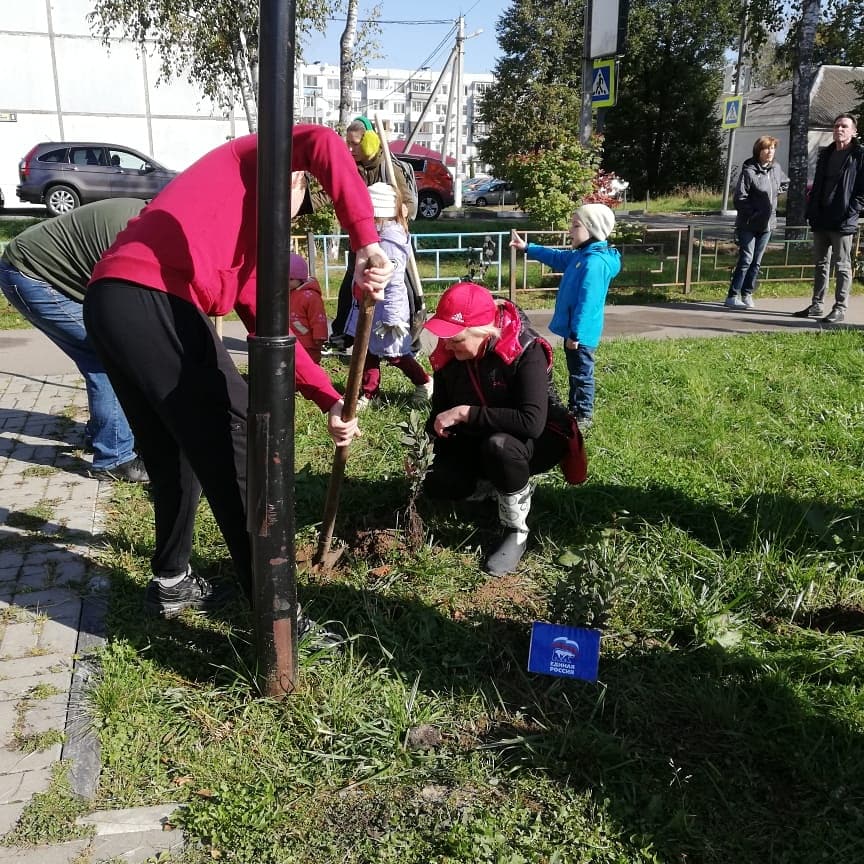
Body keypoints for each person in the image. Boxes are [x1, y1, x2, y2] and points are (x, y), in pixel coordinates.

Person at [82, 125, 392, 618]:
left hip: (109, 302)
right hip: (150, 291)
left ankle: (171, 582)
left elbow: (277, 342)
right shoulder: (250, 157)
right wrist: (365, 242)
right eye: (303, 204)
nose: (295, 218)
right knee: (239, 433)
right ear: (292, 180)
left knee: (172, 455)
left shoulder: (248, 255)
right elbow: (324, 143)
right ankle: (276, 616)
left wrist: (329, 397)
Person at [422, 282, 574, 577]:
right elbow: (439, 413)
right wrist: (427, 449)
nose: (448, 345)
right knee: (437, 483)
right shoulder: (449, 356)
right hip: (479, 437)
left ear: (483, 331)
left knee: (500, 447)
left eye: (456, 338)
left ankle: (516, 529)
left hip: (536, 440)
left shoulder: (525, 349)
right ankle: (491, 487)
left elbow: (531, 421)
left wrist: (467, 413)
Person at [0, 198, 148, 482]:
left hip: (34, 267)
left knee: (108, 354)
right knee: (107, 360)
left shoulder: (146, 215)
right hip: (33, 276)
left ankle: (104, 434)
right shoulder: (141, 235)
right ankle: (113, 458)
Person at [510, 204, 621, 430]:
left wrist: (576, 334)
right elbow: (557, 257)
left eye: (576, 225)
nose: (570, 230)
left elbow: (587, 303)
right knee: (576, 371)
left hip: (580, 334)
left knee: (582, 374)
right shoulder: (582, 256)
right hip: (575, 331)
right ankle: (575, 408)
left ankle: (583, 416)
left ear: (593, 229)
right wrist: (527, 247)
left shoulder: (593, 263)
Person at [326, 117, 415, 353]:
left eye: (355, 144)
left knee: (397, 285)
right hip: (360, 238)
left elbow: (409, 203)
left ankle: (404, 329)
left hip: (387, 239)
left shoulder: (388, 167)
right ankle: (346, 334)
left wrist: (400, 211)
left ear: (370, 142)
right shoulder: (351, 168)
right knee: (352, 286)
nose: (350, 149)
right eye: (348, 143)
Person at [344, 182, 433, 409]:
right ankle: (370, 392)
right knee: (368, 351)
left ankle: (423, 382)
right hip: (370, 306)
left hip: (387, 311)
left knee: (395, 354)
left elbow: (392, 283)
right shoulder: (377, 234)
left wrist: (392, 318)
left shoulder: (390, 240)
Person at [794, 113, 864, 324]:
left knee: (842, 265)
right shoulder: (827, 153)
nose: (839, 130)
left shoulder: (859, 155)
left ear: (854, 131)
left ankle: (840, 307)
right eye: (836, 126)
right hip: (821, 216)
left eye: (844, 126)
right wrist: (811, 209)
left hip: (843, 219)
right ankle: (817, 304)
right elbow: (817, 185)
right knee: (820, 264)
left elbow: (862, 191)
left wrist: (852, 210)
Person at [725, 136, 789, 310]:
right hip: (749, 224)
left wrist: (777, 192)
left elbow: (784, 182)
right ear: (758, 151)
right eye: (766, 148)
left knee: (757, 261)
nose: (770, 152)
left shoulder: (776, 168)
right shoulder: (749, 170)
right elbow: (739, 198)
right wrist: (753, 213)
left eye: (773, 148)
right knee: (746, 258)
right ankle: (732, 295)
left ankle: (747, 293)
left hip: (768, 224)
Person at [288, 252, 328, 365]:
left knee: (310, 365)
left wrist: (319, 337)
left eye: (290, 279)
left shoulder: (311, 296)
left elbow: (318, 318)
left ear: (300, 278)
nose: (286, 282)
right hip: (292, 341)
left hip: (309, 343)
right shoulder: (287, 293)